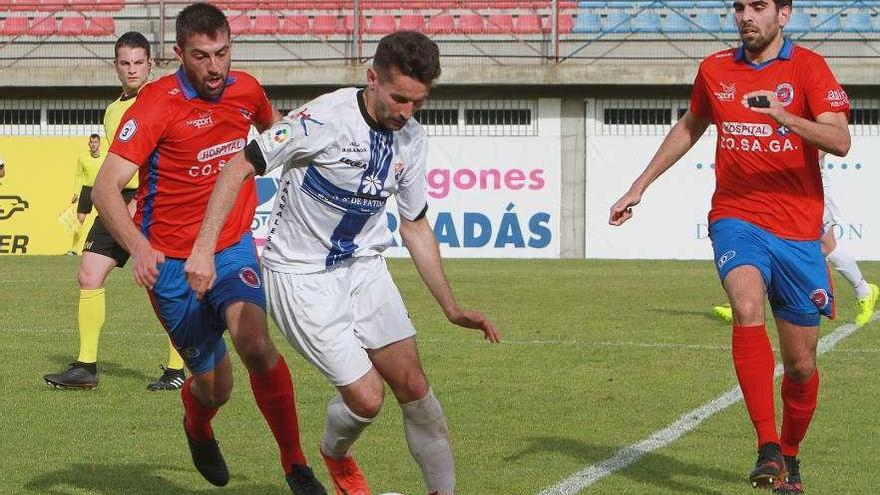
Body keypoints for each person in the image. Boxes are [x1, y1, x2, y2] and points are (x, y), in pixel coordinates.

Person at [185, 30, 501, 495]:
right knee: (368, 399)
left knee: (415, 388)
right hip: (300, 276)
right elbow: (239, 167)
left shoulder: (411, 138)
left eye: (418, 102)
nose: (406, 113)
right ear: (372, 78)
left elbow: (414, 224)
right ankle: (334, 453)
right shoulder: (322, 120)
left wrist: (451, 308)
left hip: (364, 269)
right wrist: (203, 249)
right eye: (399, 99)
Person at [609, 1, 850, 494]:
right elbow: (690, 126)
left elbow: (840, 140)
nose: (746, 16)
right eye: (738, 7)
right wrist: (640, 184)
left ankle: (790, 455)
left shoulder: (808, 67)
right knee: (744, 305)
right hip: (737, 217)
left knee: (802, 365)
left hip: (799, 232)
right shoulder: (714, 69)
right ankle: (766, 447)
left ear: (784, 14)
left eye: (758, 6)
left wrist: (783, 115)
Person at [90, 4, 325, 493]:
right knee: (216, 388)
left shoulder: (247, 90)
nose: (215, 67)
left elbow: (276, 132)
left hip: (229, 245)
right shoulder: (155, 105)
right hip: (170, 265)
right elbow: (105, 188)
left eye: (222, 53)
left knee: (255, 343)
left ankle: (295, 463)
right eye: (201, 56)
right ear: (179, 54)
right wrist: (139, 247)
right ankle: (198, 426)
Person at [43, 32, 188, 392]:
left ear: (151, 65)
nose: (132, 70)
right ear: (116, 66)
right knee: (89, 274)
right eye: (125, 63)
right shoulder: (112, 111)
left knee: (166, 286)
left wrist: (143, 199)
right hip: (118, 201)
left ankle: (177, 369)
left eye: (139, 62)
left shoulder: (163, 101)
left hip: (155, 201)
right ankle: (86, 367)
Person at [713, 151, 878, 327]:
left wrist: (780, 162)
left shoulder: (811, 123)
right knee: (763, 240)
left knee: (826, 245)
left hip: (808, 187)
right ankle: (745, 300)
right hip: (777, 187)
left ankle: (864, 291)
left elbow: (824, 145)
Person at [65, 133, 105, 255]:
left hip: (100, 190)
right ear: (89, 143)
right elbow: (78, 176)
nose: (93, 144)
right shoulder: (82, 157)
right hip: (87, 190)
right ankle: (74, 249)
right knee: (79, 220)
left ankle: (104, 250)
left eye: (96, 142)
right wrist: (76, 192)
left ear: (99, 143)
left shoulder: (105, 157)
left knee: (107, 220)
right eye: (92, 142)